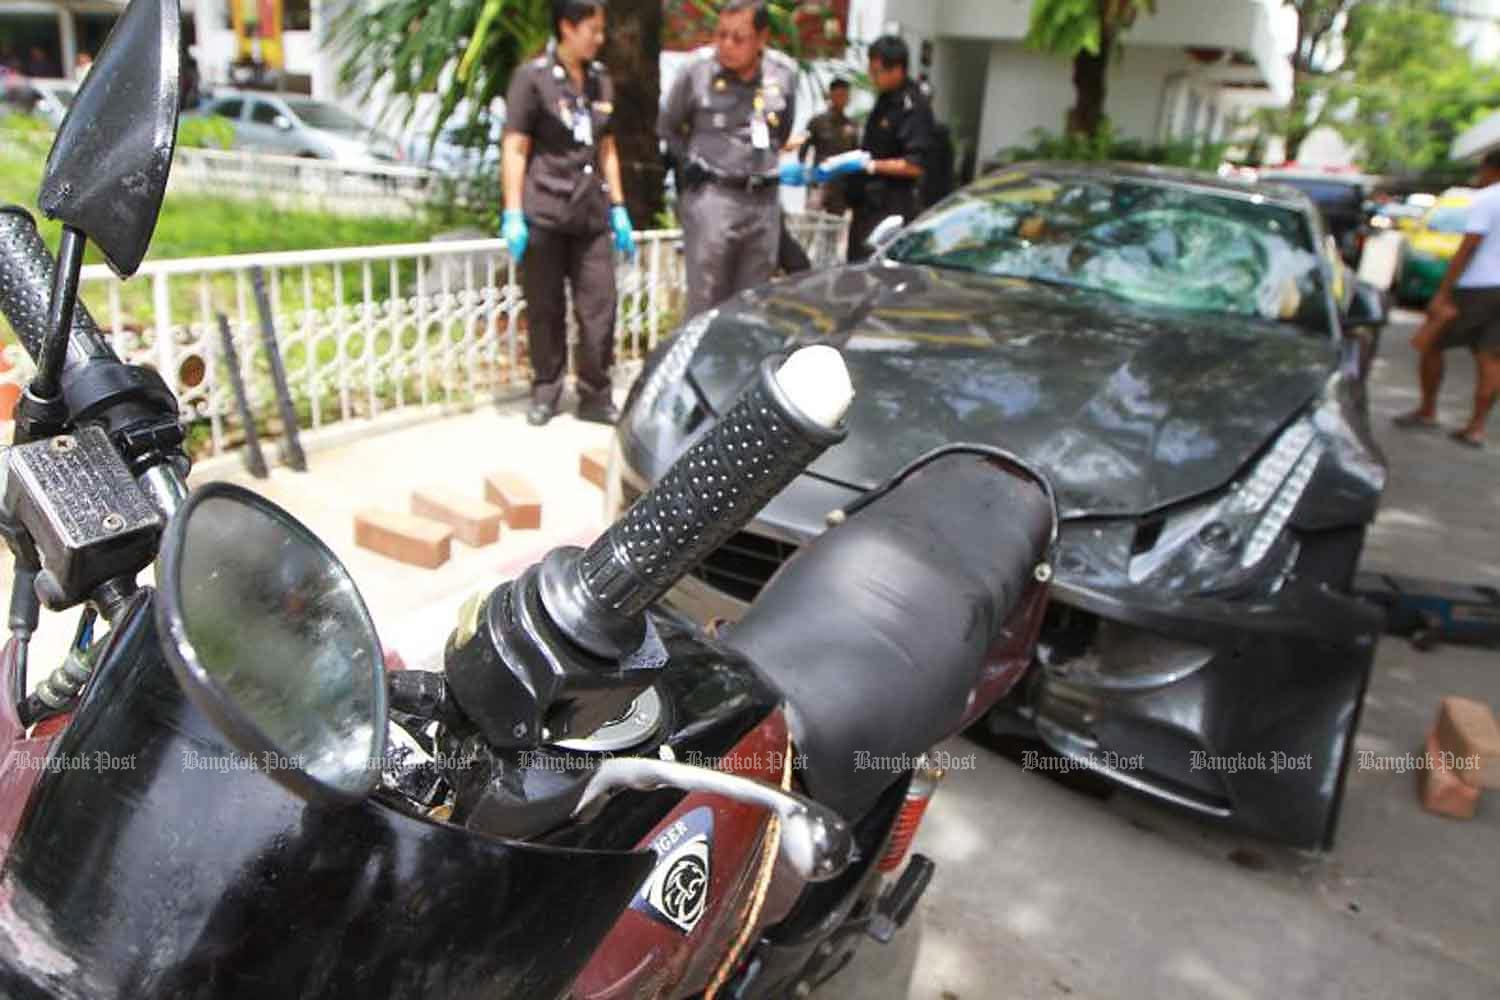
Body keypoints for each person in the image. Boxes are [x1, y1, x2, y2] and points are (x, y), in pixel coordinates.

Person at [502, 0, 636, 426]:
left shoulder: (600, 81)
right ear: (566, 26)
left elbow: (607, 146)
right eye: (593, 30)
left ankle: (596, 395)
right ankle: (546, 390)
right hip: (544, 210)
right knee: (544, 309)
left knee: (600, 307)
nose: (599, 38)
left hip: (592, 214)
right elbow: (516, 146)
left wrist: (619, 206)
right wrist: (513, 212)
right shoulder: (532, 78)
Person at [659, 0, 798, 317]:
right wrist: (692, 162)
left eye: (739, 37)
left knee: (752, 305)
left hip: (763, 204)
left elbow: (784, 129)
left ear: (762, 38)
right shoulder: (697, 71)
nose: (726, 45)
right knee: (706, 304)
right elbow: (667, 126)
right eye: (721, 34)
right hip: (713, 199)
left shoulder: (783, 73)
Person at [1394, 149, 1500, 449]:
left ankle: (1428, 409)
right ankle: (1476, 427)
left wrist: (1443, 293)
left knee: (1431, 345)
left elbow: (1469, 247)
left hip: (1476, 286)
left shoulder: (1489, 198)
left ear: (1490, 169)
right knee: (1491, 358)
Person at [846, 35, 936, 263]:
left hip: (891, 209)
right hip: (868, 205)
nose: (872, 78)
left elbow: (914, 166)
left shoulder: (913, 106)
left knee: (878, 274)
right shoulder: (884, 101)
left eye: (877, 72)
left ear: (897, 70)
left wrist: (870, 165)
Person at [797, 78, 859, 216]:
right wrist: (805, 175)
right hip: (819, 182)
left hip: (841, 186)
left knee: (835, 226)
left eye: (844, 96)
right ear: (830, 95)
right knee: (811, 223)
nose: (841, 99)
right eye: (838, 95)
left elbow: (856, 156)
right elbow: (803, 150)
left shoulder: (852, 126)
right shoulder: (817, 122)